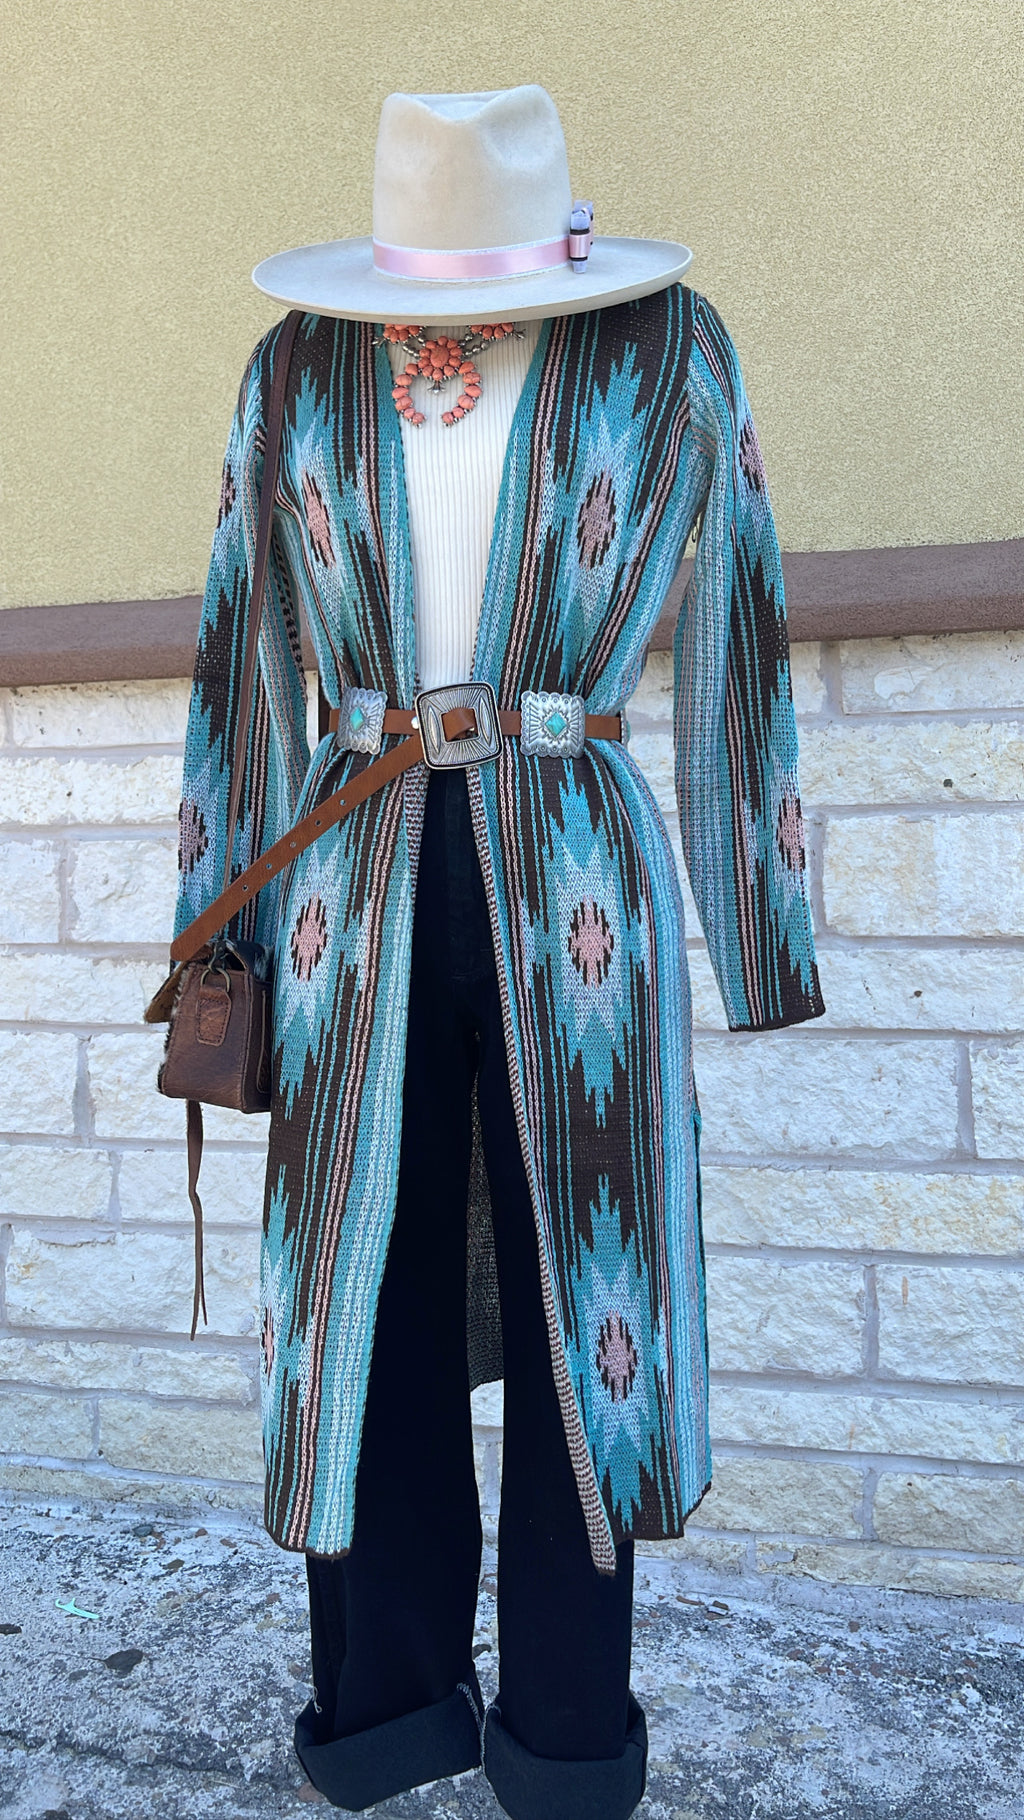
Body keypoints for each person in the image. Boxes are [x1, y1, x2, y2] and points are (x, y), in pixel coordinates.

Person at [169, 84, 824, 1819]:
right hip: (350, 878)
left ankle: (566, 1735)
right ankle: (382, 1708)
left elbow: (739, 615)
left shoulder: (668, 350)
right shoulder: (296, 372)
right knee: (363, 1299)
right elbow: (243, 643)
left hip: (578, 880)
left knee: (579, 1301)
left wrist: (759, 926)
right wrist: (221, 924)